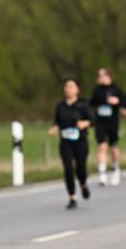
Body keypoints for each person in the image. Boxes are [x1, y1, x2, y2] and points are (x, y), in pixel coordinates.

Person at [48, 78, 93, 209]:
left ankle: (83, 184)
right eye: (66, 87)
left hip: (80, 141)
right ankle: (72, 197)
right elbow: (57, 122)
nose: (68, 89)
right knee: (68, 168)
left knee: (80, 168)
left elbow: (93, 119)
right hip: (66, 141)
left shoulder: (83, 105)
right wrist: (55, 128)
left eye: (71, 86)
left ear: (77, 90)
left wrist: (85, 123)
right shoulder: (60, 106)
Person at [89, 68, 124, 186]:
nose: (98, 78)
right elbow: (91, 104)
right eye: (98, 76)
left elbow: (125, 103)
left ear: (108, 76)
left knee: (113, 147)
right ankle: (102, 173)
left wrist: (117, 101)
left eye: (101, 76)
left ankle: (115, 169)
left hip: (113, 122)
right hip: (100, 122)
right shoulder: (97, 90)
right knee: (101, 146)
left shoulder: (116, 89)